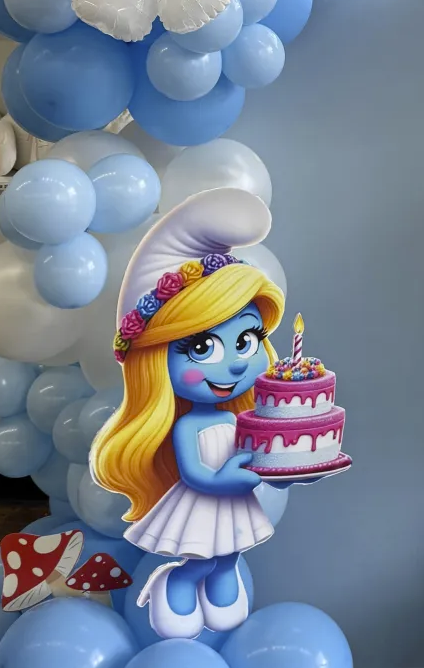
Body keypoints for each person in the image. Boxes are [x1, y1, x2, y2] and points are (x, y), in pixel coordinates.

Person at [91, 188, 283, 639]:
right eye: (201, 348)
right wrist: (233, 477)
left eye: (247, 340)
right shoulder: (191, 425)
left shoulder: (241, 418)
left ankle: (220, 582)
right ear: (156, 361)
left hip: (234, 500)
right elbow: (196, 474)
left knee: (230, 551)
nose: (235, 363)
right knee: (200, 552)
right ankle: (176, 580)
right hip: (204, 500)